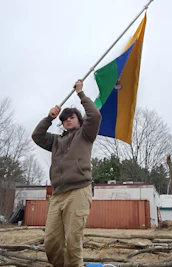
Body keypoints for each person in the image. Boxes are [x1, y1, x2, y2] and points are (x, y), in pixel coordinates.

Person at [32, 80, 101, 267]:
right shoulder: (56, 141)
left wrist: (81, 94)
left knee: (73, 243)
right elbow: (37, 136)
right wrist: (49, 117)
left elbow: (95, 115)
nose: (67, 120)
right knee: (51, 243)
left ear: (79, 119)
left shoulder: (85, 134)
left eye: (71, 117)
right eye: (64, 119)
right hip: (57, 195)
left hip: (78, 191)